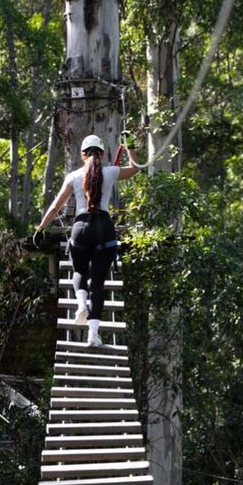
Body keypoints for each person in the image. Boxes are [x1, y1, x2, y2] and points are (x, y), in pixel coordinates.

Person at [36, 134, 141, 346]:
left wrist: (41, 228)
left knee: (79, 272)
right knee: (98, 284)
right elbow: (135, 168)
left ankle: (82, 304)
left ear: (83, 155)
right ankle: (93, 335)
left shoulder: (73, 176)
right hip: (104, 228)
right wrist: (130, 146)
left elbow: (55, 207)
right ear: (101, 155)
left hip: (81, 228)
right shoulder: (111, 172)